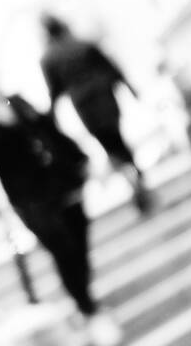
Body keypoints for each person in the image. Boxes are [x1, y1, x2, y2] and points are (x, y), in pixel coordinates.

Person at [0, 58, 123, 346]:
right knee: (63, 248)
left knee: (79, 246)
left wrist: (84, 161)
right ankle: (89, 309)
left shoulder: (16, 103)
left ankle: (82, 299)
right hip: (31, 201)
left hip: (65, 183)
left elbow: (52, 132)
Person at [38, 14, 152, 213]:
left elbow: (54, 90)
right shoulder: (83, 43)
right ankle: (133, 172)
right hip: (105, 96)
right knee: (116, 137)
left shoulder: (49, 58)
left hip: (85, 105)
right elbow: (111, 67)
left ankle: (130, 173)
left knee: (108, 142)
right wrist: (130, 88)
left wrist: (51, 118)